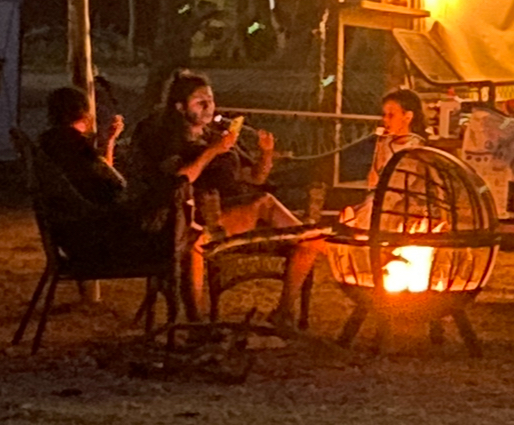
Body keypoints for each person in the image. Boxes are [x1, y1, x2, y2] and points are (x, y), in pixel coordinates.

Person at [129, 69, 324, 331]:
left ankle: (284, 310)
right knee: (257, 206)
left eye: (210, 100)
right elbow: (179, 179)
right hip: (196, 216)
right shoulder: (171, 141)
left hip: (236, 211)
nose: (209, 107)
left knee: (311, 240)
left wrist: (266, 154)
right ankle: (197, 323)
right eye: (200, 102)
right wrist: (212, 152)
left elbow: (255, 177)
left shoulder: (216, 135)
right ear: (180, 107)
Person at [37, 86, 199, 304]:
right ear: (84, 112)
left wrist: (110, 141)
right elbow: (114, 187)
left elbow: (103, 180)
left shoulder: (57, 146)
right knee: (177, 192)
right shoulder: (73, 148)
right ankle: (182, 295)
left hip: (80, 235)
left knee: (173, 201)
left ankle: (175, 278)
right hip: (102, 241)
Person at [339, 88, 428, 229]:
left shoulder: (417, 149)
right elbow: (373, 181)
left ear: (408, 117)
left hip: (403, 207)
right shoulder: (384, 143)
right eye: (384, 115)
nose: (385, 120)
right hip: (379, 202)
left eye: (391, 115)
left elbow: (406, 187)